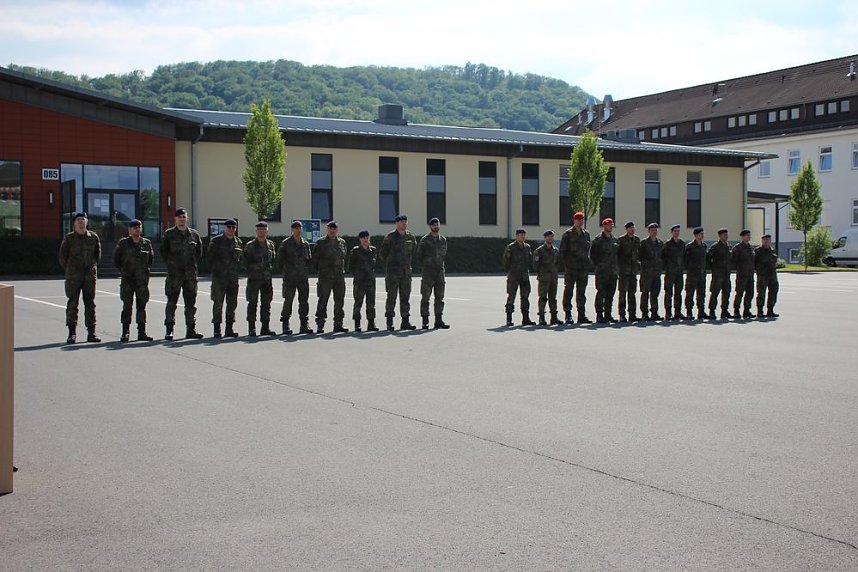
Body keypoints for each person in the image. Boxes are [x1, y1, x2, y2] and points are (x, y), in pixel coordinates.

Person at [160, 207, 203, 340]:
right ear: (175, 219)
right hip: (174, 275)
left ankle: (191, 329)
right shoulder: (169, 234)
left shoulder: (194, 235)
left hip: (190, 275)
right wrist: (172, 265)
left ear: (187, 218)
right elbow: (163, 252)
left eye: (184, 217)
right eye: (179, 217)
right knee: (172, 302)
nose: (181, 219)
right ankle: (169, 329)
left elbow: (198, 253)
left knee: (191, 303)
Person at [58, 212, 101, 343]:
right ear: (74, 223)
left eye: (83, 219)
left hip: (89, 276)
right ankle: (72, 333)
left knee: (90, 303)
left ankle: (91, 332)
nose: (81, 222)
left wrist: (90, 267)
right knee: (72, 303)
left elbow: (97, 255)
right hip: (73, 276)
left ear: (87, 222)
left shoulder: (93, 237)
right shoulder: (69, 238)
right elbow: (62, 257)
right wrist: (71, 269)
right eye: (78, 220)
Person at [112, 219, 154, 342]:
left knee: (142, 307)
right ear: (129, 229)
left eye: (139, 227)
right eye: (134, 227)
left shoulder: (146, 243)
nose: (137, 229)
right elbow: (116, 260)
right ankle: (125, 332)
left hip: (142, 281)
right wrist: (125, 271)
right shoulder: (123, 243)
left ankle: (142, 332)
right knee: (127, 307)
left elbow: (150, 259)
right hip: (128, 280)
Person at [380, 214, 418, 331]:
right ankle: (390, 321)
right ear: (396, 223)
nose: (404, 224)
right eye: (401, 222)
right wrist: (392, 264)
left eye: (405, 221)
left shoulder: (411, 237)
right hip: (393, 273)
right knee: (391, 297)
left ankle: (405, 321)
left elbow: (414, 252)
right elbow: (382, 254)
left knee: (405, 297)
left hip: (406, 272)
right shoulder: (390, 237)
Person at [205, 218, 242, 338]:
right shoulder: (216, 241)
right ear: (224, 228)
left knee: (232, 304)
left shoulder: (238, 242)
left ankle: (229, 329)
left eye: (233, 227)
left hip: (233, 279)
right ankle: (217, 329)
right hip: (219, 279)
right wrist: (216, 271)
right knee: (218, 303)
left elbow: (240, 260)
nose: (231, 229)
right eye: (229, 227)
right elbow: (209, 258)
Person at [276, 220, 313, 335]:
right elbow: (279, 260)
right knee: (288, 301)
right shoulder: (286, 243)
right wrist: (286, 272)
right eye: (296, 227)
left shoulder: (305, 244)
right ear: (292, 230)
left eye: (300, 227)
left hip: (302, 278)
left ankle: (304, 324)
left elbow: (309, 260)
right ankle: (285, 324)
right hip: (290, 278)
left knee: (304, 301)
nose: (298, 229)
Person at [313, 220, 348, 333]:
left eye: (334, 229)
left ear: (337, 230)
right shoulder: (321, 243)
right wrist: (321, 271)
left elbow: (344, 257)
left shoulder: (342, 242)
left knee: (339, 301)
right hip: (325, 277)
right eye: (330, 228)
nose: (332, 231)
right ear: (327, 229)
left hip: (339, 277)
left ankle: (338, 324)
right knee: (323, 301)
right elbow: (315, 259)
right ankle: (320, 324)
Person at [244, 221, 277, 337]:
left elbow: (272, 260)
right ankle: (251, 328)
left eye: (263, 229)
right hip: (254, 279)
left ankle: (265, 327)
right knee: (252, 303)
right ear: (256, 231)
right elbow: (245, 262)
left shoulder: (271, 245)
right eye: (259, 229)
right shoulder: (250, 246)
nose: (261, 231)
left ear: (267, 231)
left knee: (266, 304)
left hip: (267, 279)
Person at [559, 211, 592, 324]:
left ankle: (581, 314)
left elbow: (588, 250)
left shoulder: (586, 234)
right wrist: (567, 265)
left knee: (581, 291)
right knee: (569, 290)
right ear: (574, 220)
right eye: (578, 219)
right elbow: (562, 251)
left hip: (582, 268)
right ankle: (568, 314)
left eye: (582, 219)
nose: (580, 221)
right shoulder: (568, 234)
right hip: (572, 267)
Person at [416, 217, 449, 329]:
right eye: (433, 224)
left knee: (440, 297)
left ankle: (438, 320)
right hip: (428, 273)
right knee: (426, 297)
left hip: (440, 272)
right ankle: (425, 321)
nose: (436, 226)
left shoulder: (443, 240)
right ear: (430, 226)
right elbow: (419, 256)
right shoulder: (424, 240)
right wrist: (427, 265)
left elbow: (444, 255)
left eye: (437, 224)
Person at [502, 228, 534, 326]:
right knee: (511, 296)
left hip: (524, 275)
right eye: (520, 235)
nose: (522, 237)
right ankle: (509, 318)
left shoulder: (527, 247)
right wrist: (511, 271)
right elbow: (505, 261)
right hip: (514, 275)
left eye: (524, 235)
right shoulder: (511, 247)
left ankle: (525, 318)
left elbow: (530, 260)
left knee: (525, 297)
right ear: (516, 236)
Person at [589, 218, 619, 323]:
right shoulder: (598, 240)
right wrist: (598, 266)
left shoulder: (615, 240)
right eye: (608, 225)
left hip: (613, 271)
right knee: (601, 293)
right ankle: (599, 314)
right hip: (602, 271)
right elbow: (592, 255)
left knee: (610, 294)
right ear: (604, 226)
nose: (610, 226)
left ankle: (608, 314)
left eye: (612, 225)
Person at [349, 229, 379, 332]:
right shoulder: (355, 251)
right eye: (363, 238)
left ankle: (371, 323)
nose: (365, 239)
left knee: (371, 303)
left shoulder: (373, 250)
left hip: (370, 281)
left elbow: (374, 265)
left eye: (367, 237)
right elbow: (351, 266)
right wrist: (358, 274)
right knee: (358, 303)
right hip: (359, 281)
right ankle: (357, 324)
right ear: (360, 239)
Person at [533, 229, 561, 325]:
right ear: (545, 238)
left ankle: (554, 317)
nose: (550, 238)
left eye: (552, 236)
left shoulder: (556, 250)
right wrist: (542, 272)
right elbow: (535, 265)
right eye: (548, 237)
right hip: (544, 278)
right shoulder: (539, 251)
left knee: (553, 298)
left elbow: (558, 263)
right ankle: (541, 317)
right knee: (543, 298)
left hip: (553, 277)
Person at [638, 222, 664, 321]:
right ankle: (644, 313)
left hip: (656, 273)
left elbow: (663, 256)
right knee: (645, 293)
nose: (654, 232)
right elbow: (639, 256)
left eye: (656, 230)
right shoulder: (644, 243)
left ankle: (654, 312)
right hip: (646, 273)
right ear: (648, 231)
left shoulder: (660, 243)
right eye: (652, 230)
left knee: (655, 294)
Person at [616, 221, 641, 322]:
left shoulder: (637, 240)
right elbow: (617, 255)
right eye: (630, 228)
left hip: (633, 271)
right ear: (626, 229)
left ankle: (632, 314)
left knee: (632, 293)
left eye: (633, 228)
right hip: (623, 271)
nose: (632, 229)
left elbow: (639, 254)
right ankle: (622, 315)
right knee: (622, 293)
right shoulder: (621, 240)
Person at [706, 228, 733, 319]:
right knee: (715, 293)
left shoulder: (728, 246)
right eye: (724, 235)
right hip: (718, 275)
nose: (726, 236)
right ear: (720, 236)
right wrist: (713, 267)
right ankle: (712, 311)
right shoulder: (715, 247)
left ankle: (724, 311)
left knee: (726, 293)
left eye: (727, 234)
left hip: (726, 274)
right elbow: (708, 258)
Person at [661, 224, 686, 320]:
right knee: (668, 293)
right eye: (675, 231)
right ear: (671, 232)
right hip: (670, 272)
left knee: (678, 293)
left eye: (678, 231)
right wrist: (666, 266)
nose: (677, 233)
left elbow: (684, 256)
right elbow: (662, 256)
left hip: (679, 272)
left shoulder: (682, 243)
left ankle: (677, 312)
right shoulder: (667, 244)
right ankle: (668, 313)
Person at [731, 229, 756, 319]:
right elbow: (733, 260)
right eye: (747, 235)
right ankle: (736, 311)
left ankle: (747, 310)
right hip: (741, 275)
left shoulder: (750, 247)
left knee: (750, 293)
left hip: (750, 275)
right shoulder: (738, 248)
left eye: (749, 235)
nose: (749, 237)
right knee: (739, 293)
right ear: (742, 237)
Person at [684, 227, 707, 320]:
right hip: (692, 274)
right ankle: (689, 312)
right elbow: (686, 259)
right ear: (696, 235)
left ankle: (701, 311)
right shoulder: (690, 246)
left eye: (703, 234)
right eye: (700, 234)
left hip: (701, 274)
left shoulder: (704, 246)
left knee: (701, 293)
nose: (702, 236)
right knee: (690, 293)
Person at [755, 234, 780, 318]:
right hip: (762, 276)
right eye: (765, 240)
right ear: (762, 241)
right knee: (761, 293)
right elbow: (754, 263)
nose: (766, 241)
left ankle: (770, 310)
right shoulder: (758, 251)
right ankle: (760, 311)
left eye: (768, 240)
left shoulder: (773, 250)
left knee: (773, 293)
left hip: (772, 275)